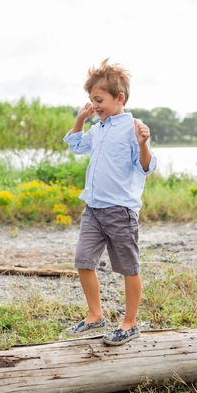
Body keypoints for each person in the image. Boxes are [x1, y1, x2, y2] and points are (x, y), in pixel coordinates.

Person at [63, 58, 156, 345]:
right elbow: (76, 146)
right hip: (93, 207)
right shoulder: (99, 127)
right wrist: (81, 118)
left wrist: (143, 144)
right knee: (83, 260)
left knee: (128, 266)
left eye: (98, 100)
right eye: (91, 100)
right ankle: (95, 315)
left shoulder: (133, 128)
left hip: (120, 210)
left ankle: (130, 323)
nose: (95, 105)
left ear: (120, 98)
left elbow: (146, 167)